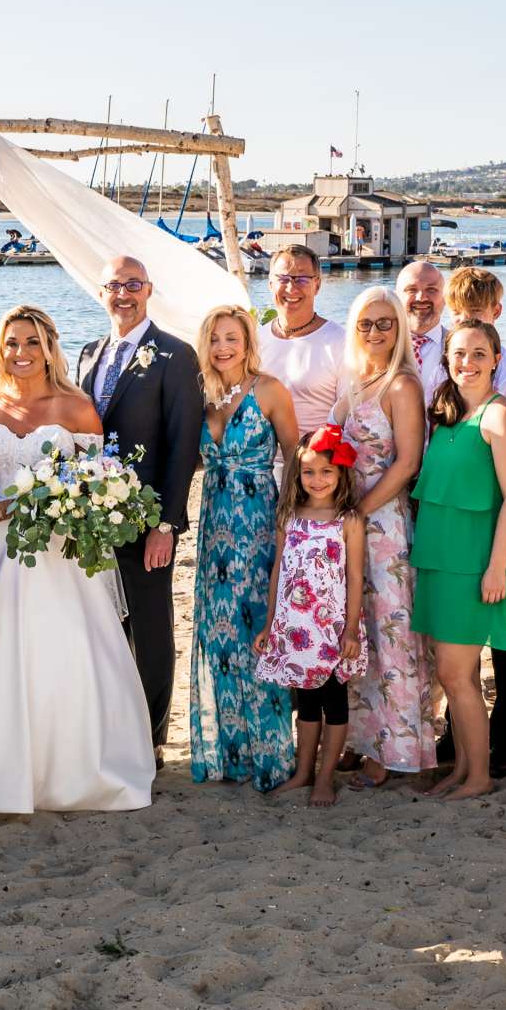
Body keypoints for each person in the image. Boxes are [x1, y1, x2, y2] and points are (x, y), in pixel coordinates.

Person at [0, 305, 156, 814]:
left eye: (31, 343)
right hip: (0, 548)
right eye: (11, 343)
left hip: (59, 548)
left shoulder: (77, 408)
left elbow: (95, 481)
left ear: (49, 347)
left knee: (67, 651)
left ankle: (74, 769)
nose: (20, 353)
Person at [72, 255, 202, 749]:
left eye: (133, 284)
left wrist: (165, 525)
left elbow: (182, 444)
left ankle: (149, 738)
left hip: (147, 520)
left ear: (149, 290)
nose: (123, 294)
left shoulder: (174, 354)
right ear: (100, 291)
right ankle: (111, 730)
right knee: (105, 629)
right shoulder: (88, 353)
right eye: (113, 285)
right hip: (90, 521)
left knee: (150, 630)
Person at [411, 321, 506, 801]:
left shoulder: (501, 416)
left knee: (460, 675)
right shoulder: (446, 413)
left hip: (475, 562)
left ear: (496, 358)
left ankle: (478, 776)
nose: (468, 362)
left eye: (479, 353)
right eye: (459, 353)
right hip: (439, 558)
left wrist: (497, 566)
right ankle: (462, 768)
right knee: (449, 673)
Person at [187, 302, 300, 791]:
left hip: (257, 522)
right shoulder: (203, 396)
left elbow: (295, 452)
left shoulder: (269, 390)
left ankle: (272, 753)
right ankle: (233, 752)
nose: (222, 347)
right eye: (214, 339)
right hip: (213, 525)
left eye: (231, 337)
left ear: (248, 342)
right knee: (221, 631)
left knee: (260, 626)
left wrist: (290, 515)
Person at [330, 288, 435, 787]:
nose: (374, 332)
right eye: (365, 323)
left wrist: (360, 511)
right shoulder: (357, 382)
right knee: (358, 630)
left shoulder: (402, 386)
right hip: (349, 522)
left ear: (400, 330)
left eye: (384, 323)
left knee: (391, 631)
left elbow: (408, 464)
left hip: (385, 524)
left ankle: (393, 749)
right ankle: (359, 736)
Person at [444, 268, 506, 778]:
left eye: (479, 310)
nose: (469, 319)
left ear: (497, 314)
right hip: (454, 516)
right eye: (461, 310)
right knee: (458, 629)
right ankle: (456, 731)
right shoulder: (446, 369)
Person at [252, 427, 367, 807]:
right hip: (295, 627)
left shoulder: (348, 519)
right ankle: (303, 772)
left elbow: (354, 577)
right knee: (306, 700)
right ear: (297, 475)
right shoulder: (289, 515)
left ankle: (325, 777)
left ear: (341, 475)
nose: (318, 480)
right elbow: (278, 572)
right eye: (309, 472)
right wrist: (271, 625)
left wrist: (350, 630)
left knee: (334, 699)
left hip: (332, 627)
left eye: (327, 472)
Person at [255, 245, 347, 432]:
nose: (291, 287)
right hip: (259, 459)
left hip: (314, 457)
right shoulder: (255, 340)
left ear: (317, 285)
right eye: (283, 278)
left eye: (302, 279)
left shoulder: (340, 342)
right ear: (270, 284)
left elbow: (349, 417)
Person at [397, 260, 447, 396]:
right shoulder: (379, 345)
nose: (421, 297)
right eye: (411, 290)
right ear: (397, 297)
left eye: (431, 290)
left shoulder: (460, 348)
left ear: (445, 298)